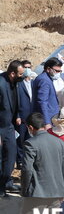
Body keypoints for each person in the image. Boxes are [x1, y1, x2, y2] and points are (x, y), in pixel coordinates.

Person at [0, 60, 24, 196]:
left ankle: (4, 184)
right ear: (12, 73)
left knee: (11, 155)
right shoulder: (1, 83)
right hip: (0, 127)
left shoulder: (16, 82)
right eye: (20, 74)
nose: (22, 76)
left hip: (9, 125)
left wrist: (18, 115)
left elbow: (16, 100)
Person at [32, 57, 62, 128]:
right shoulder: (44, 80)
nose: (58, 73)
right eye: (56, 71)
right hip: (48, 119)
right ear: (48, 69)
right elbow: (42, 101)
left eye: (60, 71)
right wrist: (47, 122)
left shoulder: (47, 78)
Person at [16, 60, 35, 171]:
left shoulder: (33, 82)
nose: (28, 69)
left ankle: (27, 159)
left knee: (29, 139)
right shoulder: (19, 83)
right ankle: (19, 161)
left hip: (31, 117)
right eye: (25, 67)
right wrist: (17, 115)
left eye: (29, 67)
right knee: (20, 140)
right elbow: (16, 101)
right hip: (22, 116)